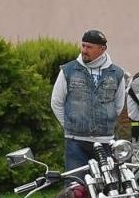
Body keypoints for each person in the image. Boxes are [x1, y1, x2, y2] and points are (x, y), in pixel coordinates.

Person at [50, 29, 127, 170]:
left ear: (102, 49)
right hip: (75, 142)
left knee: (108, 187)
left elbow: (118, 105)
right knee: (76, 186)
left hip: (105, 141)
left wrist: (105, 121)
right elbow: (56, 102)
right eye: (83, 45)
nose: (84, 50)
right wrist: (70, 125)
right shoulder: (68, 70)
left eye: (89, 47)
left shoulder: (117, 73)